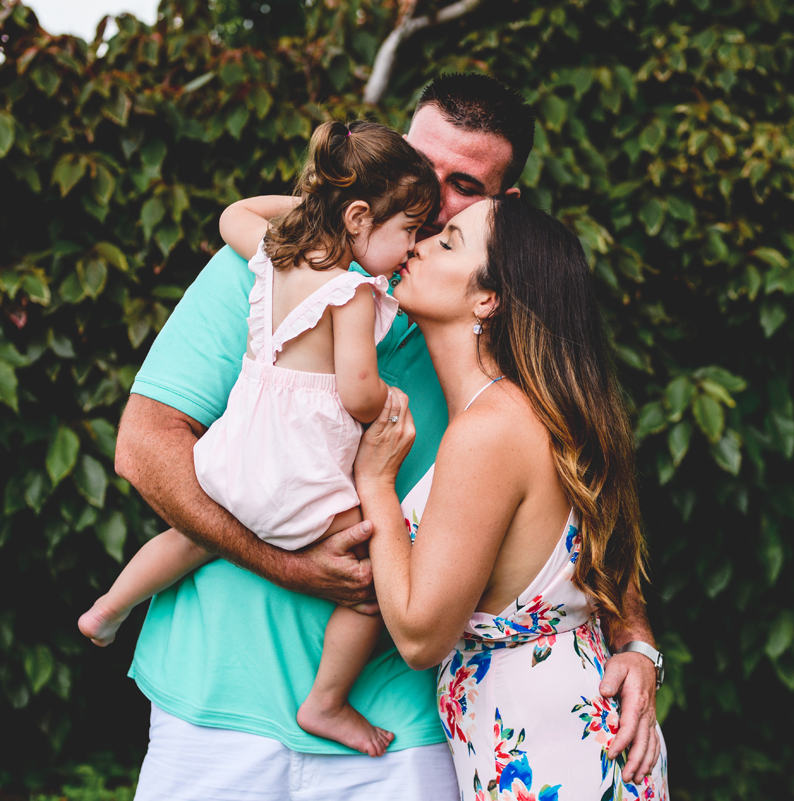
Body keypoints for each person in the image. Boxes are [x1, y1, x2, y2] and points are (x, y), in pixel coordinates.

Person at [115, 74, 662, 800]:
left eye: (462, 184)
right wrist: (290, 562)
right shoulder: (277, 267)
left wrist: (636, 639)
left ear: (506, 207)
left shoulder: (495, 349)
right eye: (416, 163)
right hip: (219, 698)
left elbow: (583, 491)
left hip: (404, 733)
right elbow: (143, 445)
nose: (431, 200)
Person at [79, 119, 437, 757]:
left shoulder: (275, 258)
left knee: (191, 537)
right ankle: (325, 703)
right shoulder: (353, 293)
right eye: (407, 230)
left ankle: (109, 607)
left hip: (231, 459)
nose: (411, 246)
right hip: (297, 477)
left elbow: (233, 213)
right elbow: (358, 393)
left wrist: (319, 211)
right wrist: (391, 401)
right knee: (371, 576)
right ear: (360, 217)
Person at [354, 196, 669, 798]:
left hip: (544, 759)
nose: (417, 244)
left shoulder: (488, 430)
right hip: (573, 738)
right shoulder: (539, 412)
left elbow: (421, 637)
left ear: (487, 298)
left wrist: (375, 483)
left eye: (447, 241)